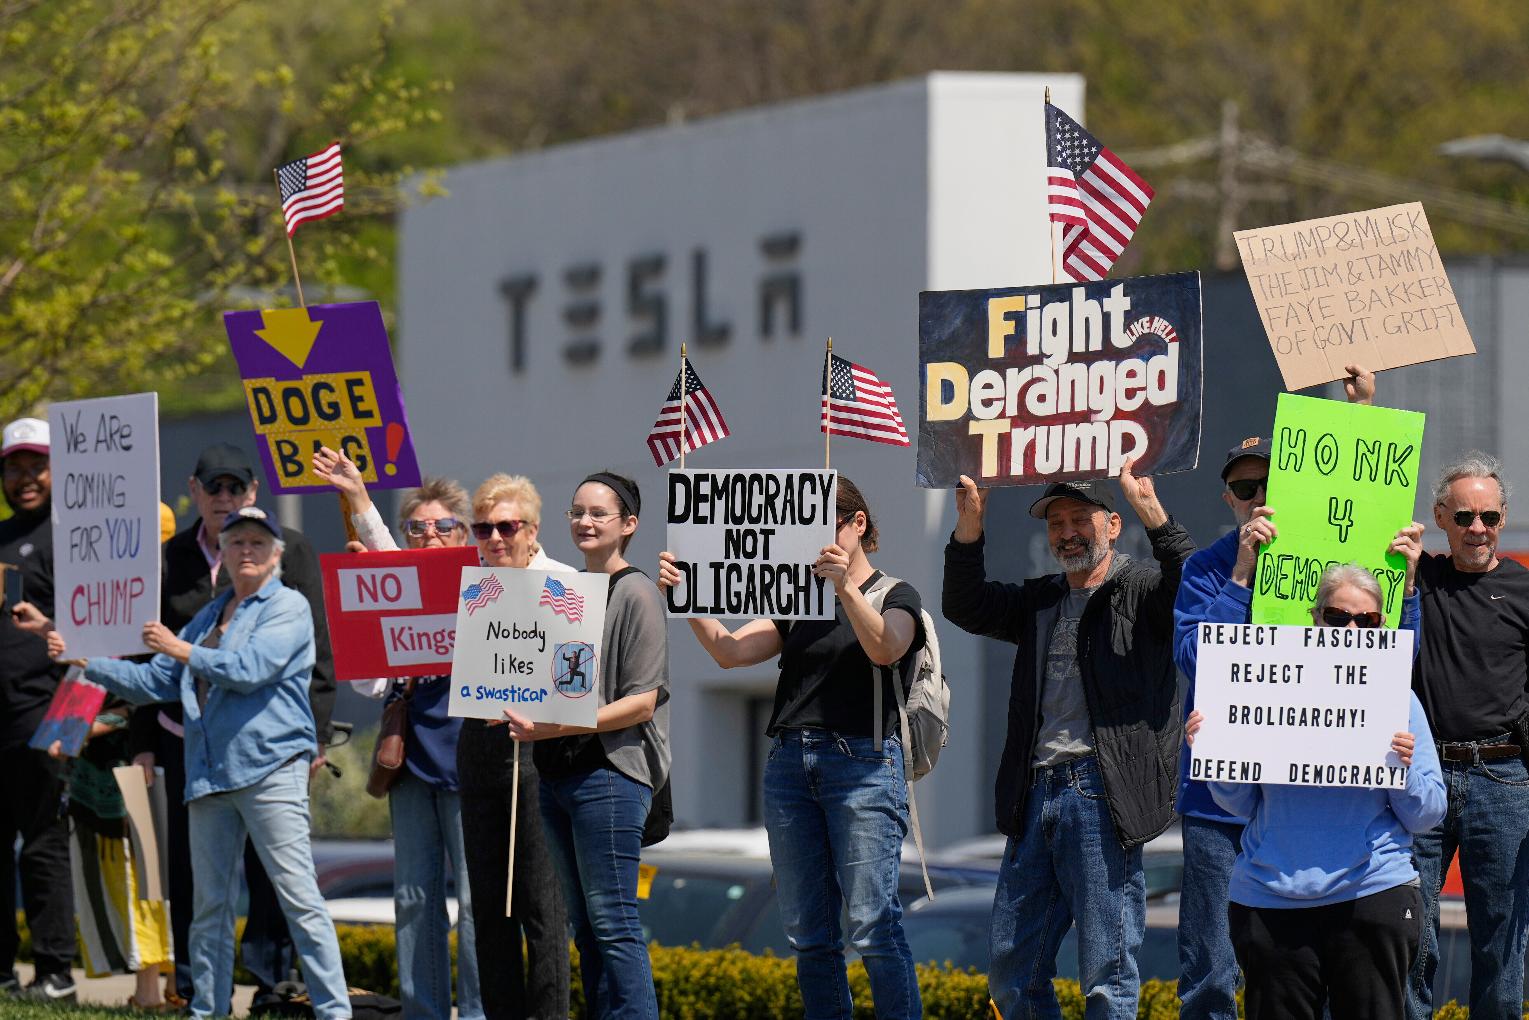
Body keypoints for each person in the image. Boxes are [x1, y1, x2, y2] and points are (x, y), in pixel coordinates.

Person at [47, 506, 351, 1019]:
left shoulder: (289, 607)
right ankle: (207, 1010)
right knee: (209, 909)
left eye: (258, 542)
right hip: (209, 774)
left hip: (271, 769)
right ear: (224, 555)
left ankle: (334, 1012)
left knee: (298, 898)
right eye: (236, 543)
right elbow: (156, 683)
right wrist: (84, 660)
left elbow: (250, 668)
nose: (246, 550)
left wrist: (179, 650)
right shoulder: (209, 616)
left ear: (276, 554)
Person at [657, 476, 924, 1019]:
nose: (812, 538)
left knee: (872, 922)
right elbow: (730, 653)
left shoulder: (895, 594)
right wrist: (685, 598)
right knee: (809, 931)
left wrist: (845, 587)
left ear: (857, 525)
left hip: (864, 764)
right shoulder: (797, 596)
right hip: (789, 765)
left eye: (826, 523)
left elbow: (886, 647)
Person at [942, 460, 1192, 1020]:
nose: (1067, 532)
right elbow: (965, 605)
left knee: (1106, 975)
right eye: (1055, 523)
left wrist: (1150, 508)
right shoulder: (1041, 599)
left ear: (1110, 524)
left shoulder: (1142, 588)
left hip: (1100, 795)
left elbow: (1191, 584)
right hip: (1033, 797)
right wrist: (970, 527)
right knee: (1012, 972)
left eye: (1080, 518)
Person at [1170, 364, 1376, 1020]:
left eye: (1269, 485)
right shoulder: (1206, 569)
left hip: (1300, 800)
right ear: (1228, 498)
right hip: (1216, 803)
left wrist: (1358, 415)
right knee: (1209, 970)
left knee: (1296, 969)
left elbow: (1379, 648)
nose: (1258, 496)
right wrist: (1239, 576)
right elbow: (1196, 660)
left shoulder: (1333, 562)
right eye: (1243, 487)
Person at [1185, 550, 1443, 1020]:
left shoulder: (1398, 701)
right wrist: (1215, 751)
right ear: (1315, 619)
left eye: (1365, 620)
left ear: (1382, 627)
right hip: (1270, 900)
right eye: (1337, 616)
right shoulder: (1266, 690)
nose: (1350, 630)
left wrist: (1400, 769)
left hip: (1370, 895)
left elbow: (1428, 814)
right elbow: (1239, 803)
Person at [128, 442, 337, 1009]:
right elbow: (148, 672)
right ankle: (204, 1000)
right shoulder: (174, 565)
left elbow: (303, 658)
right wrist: (76, 655)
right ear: (195, 491)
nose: (224, 498)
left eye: (234, 488)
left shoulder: (290, 566)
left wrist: (315, 739)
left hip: (269, 758)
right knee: (203, 898)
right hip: (194, 751)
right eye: (213, 487)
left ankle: (294, 993)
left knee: (288, 892)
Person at [311, 447, 485, 1020]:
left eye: (443, 527)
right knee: (413, 900)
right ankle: (423, 1012)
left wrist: (361, 502)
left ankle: (480, 1012)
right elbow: (366, 684)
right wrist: (361, 605)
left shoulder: (485, 583)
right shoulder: (397, 583)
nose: (430, 537)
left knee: (478, 903)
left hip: (470, 764)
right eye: (417, 528)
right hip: (408, 765)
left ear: (465, 534)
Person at [504, 471, 668, 1020]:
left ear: (629, 524)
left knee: (615, 924)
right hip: (555, 776)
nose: (585, 521)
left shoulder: (637, 590)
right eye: (577, 511)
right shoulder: (566, 591)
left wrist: (549, 727)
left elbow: (642, 702)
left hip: (611, 777)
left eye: (599, 512)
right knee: (588, 933)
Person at [1406, 452, 1529, 1020]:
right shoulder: (1418, 576)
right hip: (1419, 774)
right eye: (1462, 517)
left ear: (1503, 518)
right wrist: (1362, 407)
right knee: (1410, 938)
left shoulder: (1525, 589)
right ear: (1439, 517)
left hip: (1503, 779)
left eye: (1488, 517)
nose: (1476, 529)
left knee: (1503, 943)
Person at [454, 471, 571, 1020]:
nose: (494, 538)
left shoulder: (563, 582)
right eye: (483, 528)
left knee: (541, 907)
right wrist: (359, 501)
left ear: (532, 530)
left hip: (540, 750)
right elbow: (393, 570)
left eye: (506, 526)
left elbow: (580, 676)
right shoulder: (466, 582)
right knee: (486, 908)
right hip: (478, 744)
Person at [0, 417, 77, 1004]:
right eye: (15, 467)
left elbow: (99, 631)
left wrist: (75, 720)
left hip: (47, 711)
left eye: (36, 466)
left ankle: (55, 973)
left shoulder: (77, 537)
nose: (25, 478)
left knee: (46, 842)